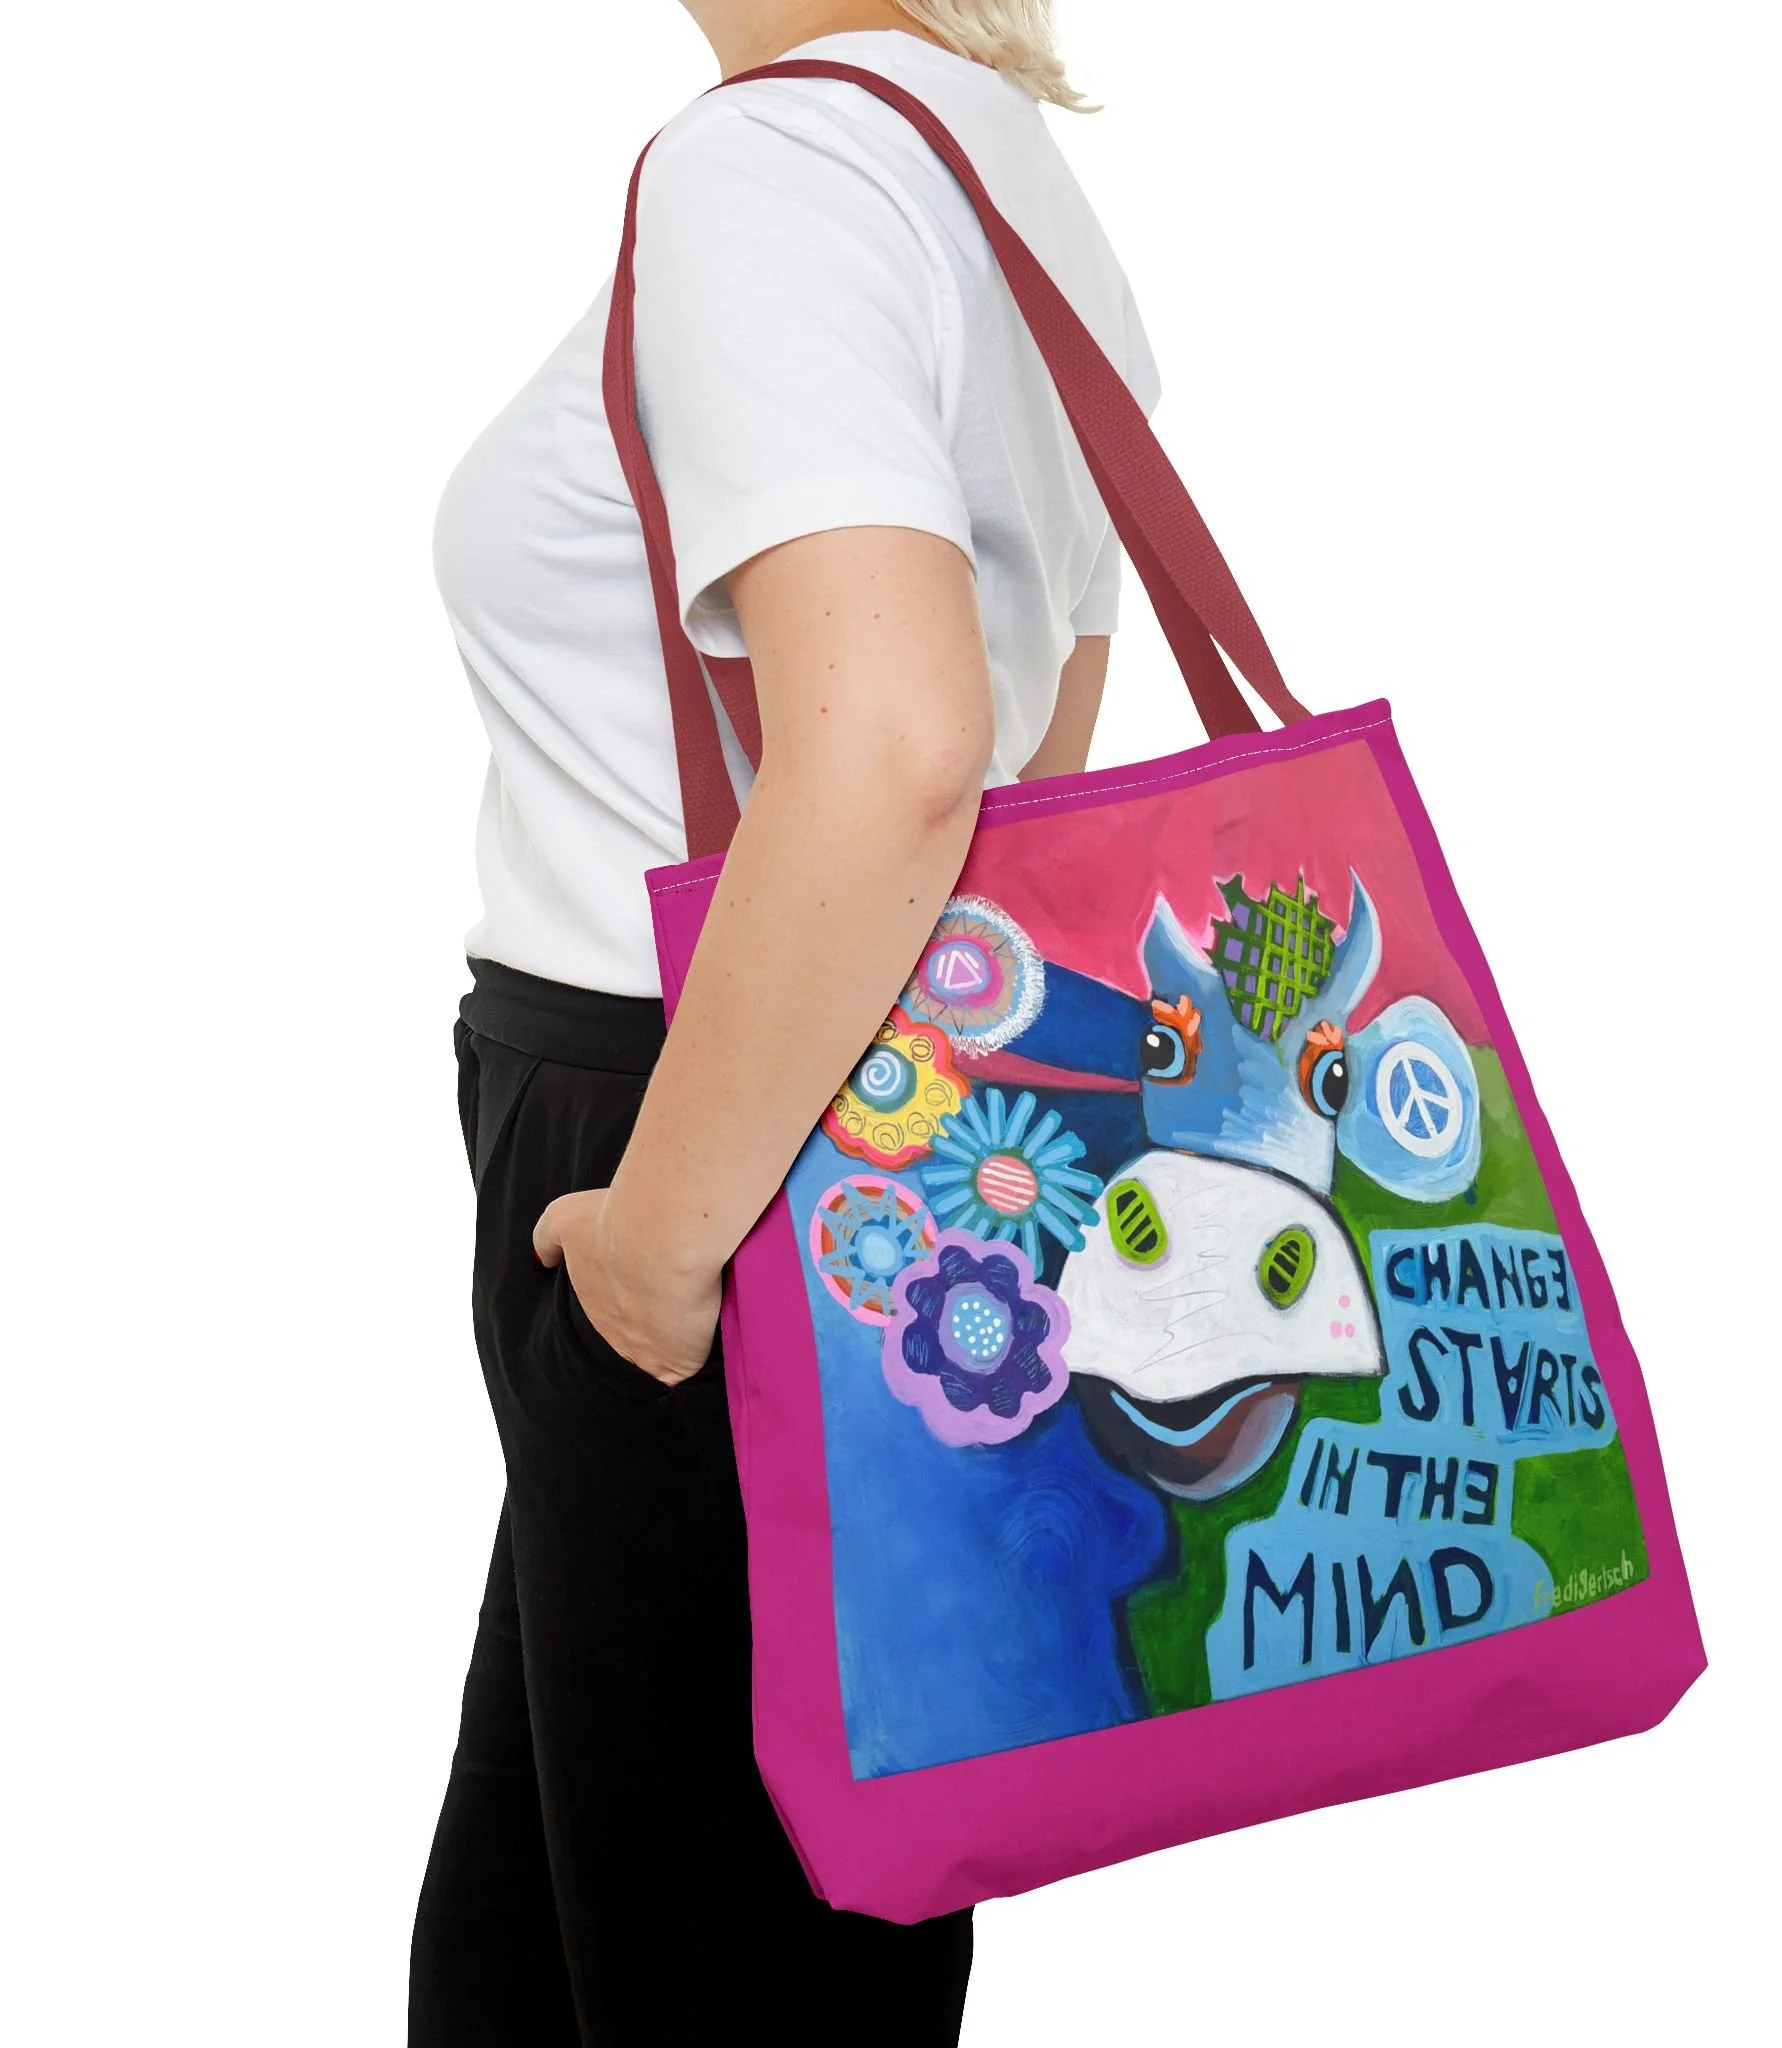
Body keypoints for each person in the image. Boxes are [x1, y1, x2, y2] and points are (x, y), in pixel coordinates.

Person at [410, 3, 1158, 2039]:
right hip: (853, 1123)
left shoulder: (776, 171)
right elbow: (1041, 760)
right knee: (590, 1938)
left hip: (694, 1150)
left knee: (702, 1963)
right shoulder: (991, 162)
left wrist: (660, 1252)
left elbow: (908, 746)